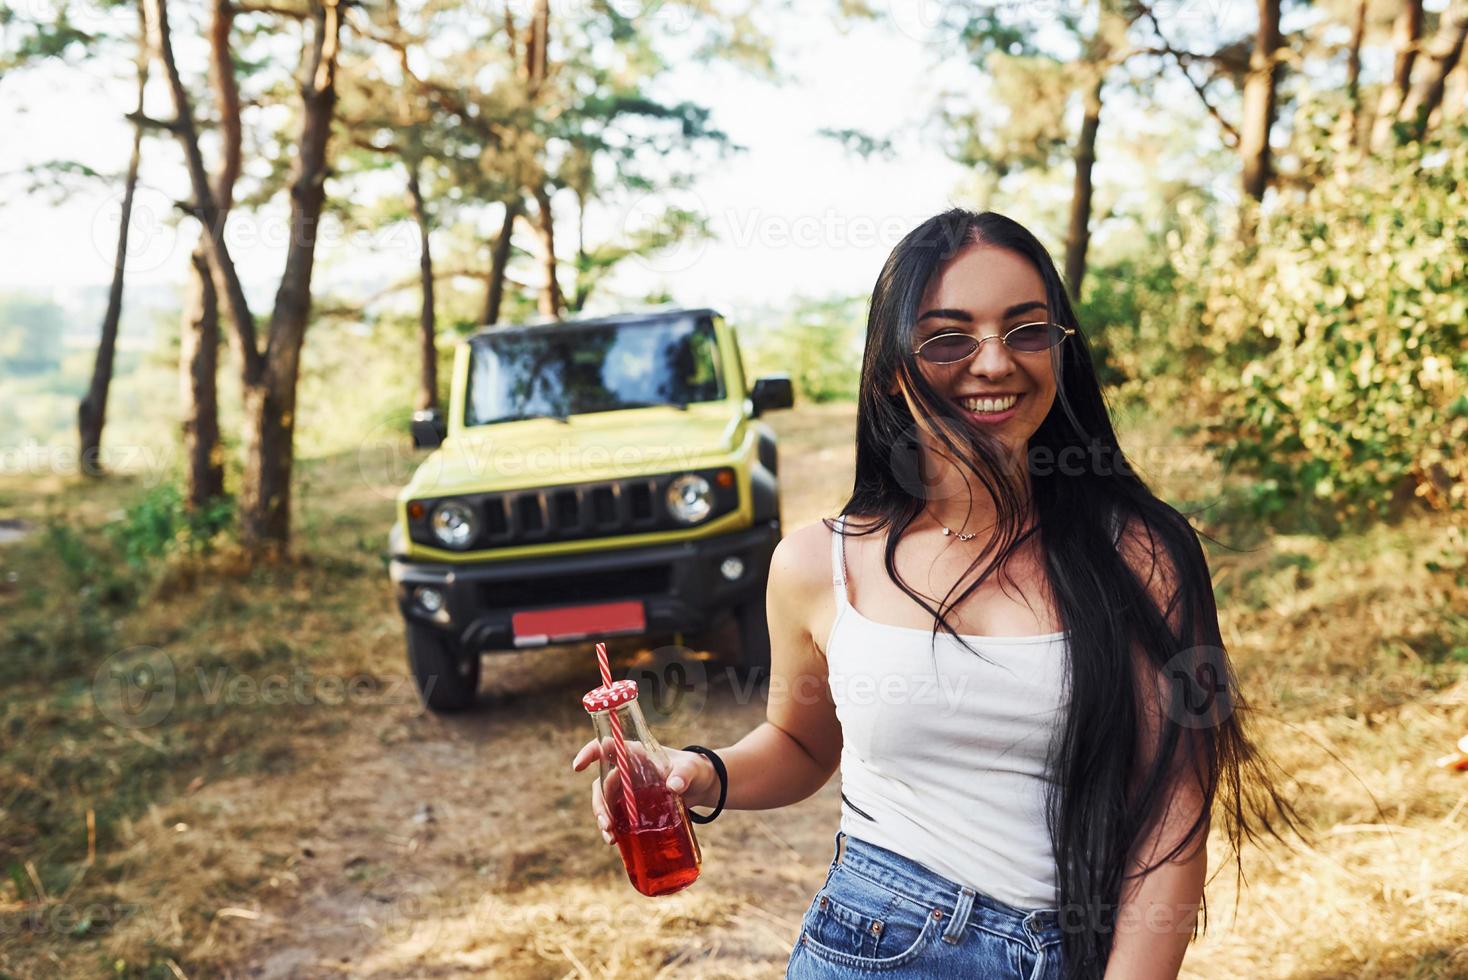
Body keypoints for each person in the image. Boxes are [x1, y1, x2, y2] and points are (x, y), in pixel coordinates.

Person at [572, 208, 1299, 979]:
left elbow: (1173, 812)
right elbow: (801, 746)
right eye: (949, 338)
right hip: (873, 944)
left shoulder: (1142, 552)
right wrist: (696, 772)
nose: (994, 363)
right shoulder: (820, 564)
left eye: (1027, 330)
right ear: (892, 367)